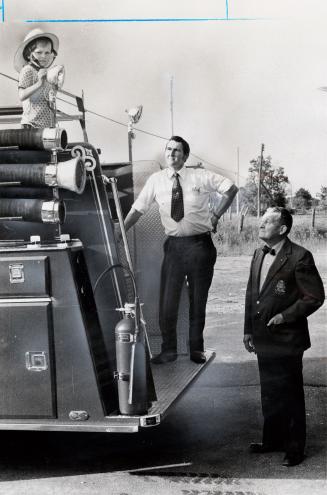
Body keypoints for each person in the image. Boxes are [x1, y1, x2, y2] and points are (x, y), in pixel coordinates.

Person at [123, 136, 238, 364]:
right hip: (174, 248)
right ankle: (169, 350)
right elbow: (138, 209)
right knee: (167, 302)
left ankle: (197, 350)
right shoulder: (156, 180)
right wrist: (121, 230)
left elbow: (231, 189)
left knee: (198, 300)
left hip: (200, 246)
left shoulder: (199, 176)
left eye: (177, 151)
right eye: (169, 149)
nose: (172, 154)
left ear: (185, 156)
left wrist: (215, 215)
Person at [243, 207, 325, 467]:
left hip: (287, 338)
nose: (261, 223)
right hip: (263, 337)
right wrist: (247, 329)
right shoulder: (258, 253)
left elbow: (314, 297)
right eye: (262, 219)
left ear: (282, 229)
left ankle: (294, 448)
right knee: (269, 392)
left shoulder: (300, 256)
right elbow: (251, 295)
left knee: (289, 393)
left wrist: (285, 316)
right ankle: (272, 440)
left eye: (268, 221)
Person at [14, 28, 59, 129]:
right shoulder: (28, 70)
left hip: (48, 126)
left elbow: (47, 99)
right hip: (31, 126)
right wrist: (39, 83)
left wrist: (55, 86)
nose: (43, 56)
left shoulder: (46, 73)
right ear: (29, 54)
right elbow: (22, 95)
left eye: (47, 53)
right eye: (39, 52)